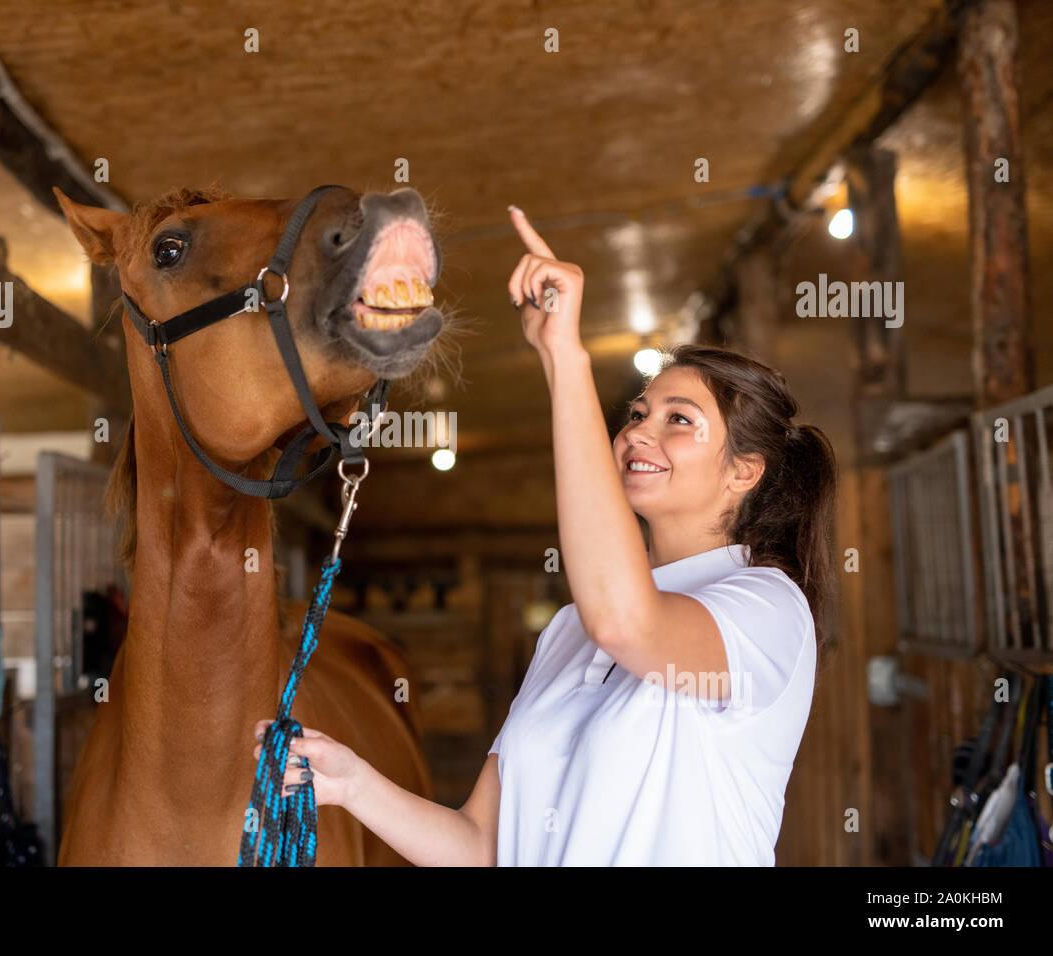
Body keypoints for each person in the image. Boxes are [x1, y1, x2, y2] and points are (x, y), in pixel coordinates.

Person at [253, 204, 837, 865]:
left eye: (680, 420)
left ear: (744, 472)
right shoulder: (568, 632)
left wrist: (565, 355)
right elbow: (481, 846)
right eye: (638, 412)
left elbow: (628, 621)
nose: (638, 431)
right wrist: (353, 783)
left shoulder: (765, 610)